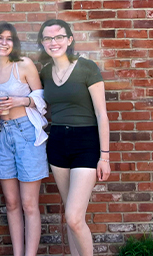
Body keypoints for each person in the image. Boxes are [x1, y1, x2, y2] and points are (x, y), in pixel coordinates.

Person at [37, 19, 109, 256]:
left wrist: (105, 157)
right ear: (42, 43)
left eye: (59, 37)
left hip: (86, 142)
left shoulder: (87, 68)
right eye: (48, 38)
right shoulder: (45, 72)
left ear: (69, 40)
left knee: (74, 216)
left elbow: (101, 114)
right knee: (70, 216)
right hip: (57, 142)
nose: (53, 42)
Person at [0, 22, 47, 256]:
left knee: (29, 204)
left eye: (9, 39)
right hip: (2, 134)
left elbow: (42, 99)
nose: (4, 43)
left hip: (27, 133)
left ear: (14, 43)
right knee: (11, 202)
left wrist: (21, 101)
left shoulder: (24, 64)